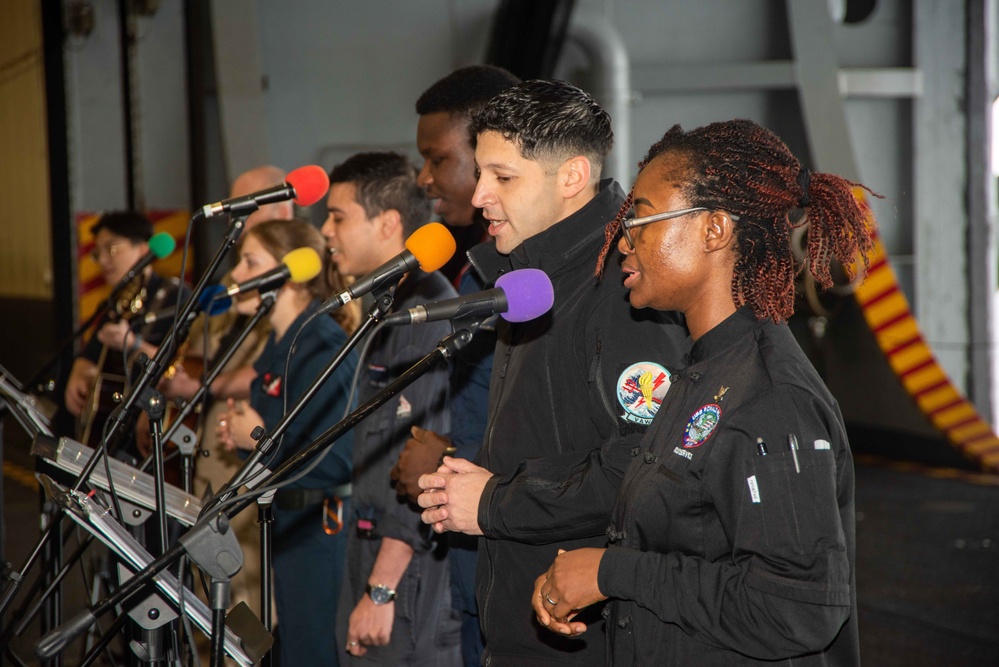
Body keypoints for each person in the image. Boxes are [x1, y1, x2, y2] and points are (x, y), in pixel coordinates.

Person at [485, 118, 872, 664]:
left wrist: (609, 572)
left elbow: (797, 607)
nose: (623, 241)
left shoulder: (771, 398)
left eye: (641, 219)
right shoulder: (706, 369)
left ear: (715, 231)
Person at [417, 80, 691, 664]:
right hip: (524, 625)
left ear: (570, 178)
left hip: (588, 633)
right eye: (481, 172)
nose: (481, 192)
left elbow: (647, 466)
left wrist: (494, 501)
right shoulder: (531, 278)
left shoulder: (623, 289)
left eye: (503, 176)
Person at [390, 63, 519, 666]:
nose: (424, 178)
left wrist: (445, 459)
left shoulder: (543, 279)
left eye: (437, 159)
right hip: (474, 564)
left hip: (525, 572)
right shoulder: (479, 267)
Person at [321, 151, 461, 663]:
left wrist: (382, 589)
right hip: (365, 543)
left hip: (403, 568)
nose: (325, 232)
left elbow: (426, 457)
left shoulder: (426, 314)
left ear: (388, 224)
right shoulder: (387, 310)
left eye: (338, 217)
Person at [215, 218, 357, 666]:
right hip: (289, 521)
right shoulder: (282, 343)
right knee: (293, 647)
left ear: (291, 273)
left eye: (251, 262)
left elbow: (336, 459)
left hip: (318, 525)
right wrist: (245, 438)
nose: (236, 275)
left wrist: (256, 437)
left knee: (312, 652)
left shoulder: (320, 343)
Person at [63, 211, 184, 448]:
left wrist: (133, 344)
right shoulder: (116, 302)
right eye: (98, 254)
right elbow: (93, 353)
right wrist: (81, 368)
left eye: (112, 249)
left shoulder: (175, 297)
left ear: (142, 249)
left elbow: (180, 366)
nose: (104, 261)